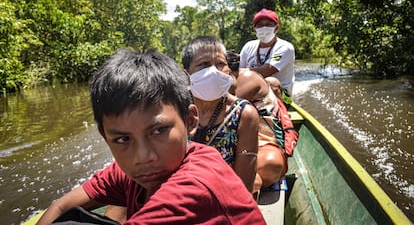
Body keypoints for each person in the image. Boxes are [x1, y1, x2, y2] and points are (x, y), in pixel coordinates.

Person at [36, 49, 266, 224]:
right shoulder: (131, 171)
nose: (143, 156)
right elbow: (59, 206)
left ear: (189, 121)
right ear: (105, 137)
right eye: (123, 139)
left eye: (158, 131)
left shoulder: (193, 187)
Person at [182, 36, 259, 193]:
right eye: (204, 64)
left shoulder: (244, 114)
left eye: (220, 64)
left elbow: (243, 187)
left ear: (229, 72)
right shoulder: (176, 111)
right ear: (186, 74)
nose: (214, 71)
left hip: (223, 199)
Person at [227, 51, 294, 194]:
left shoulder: (247, 78)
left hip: (263, 144)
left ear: (228, 70)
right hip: (235, 144)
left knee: (270, 164)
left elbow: (224, 107)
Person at [239, 8, 295, 105]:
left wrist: (237, 71)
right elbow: (239, 71)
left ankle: (276, 114)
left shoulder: (285, 47)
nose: (264, 28)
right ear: (255, 29)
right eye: (260, 25)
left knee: (271, 82)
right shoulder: (248, 46)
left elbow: (266, 70)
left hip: (284, 96)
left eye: (269, 25)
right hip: (255, 91)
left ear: (276, 28)